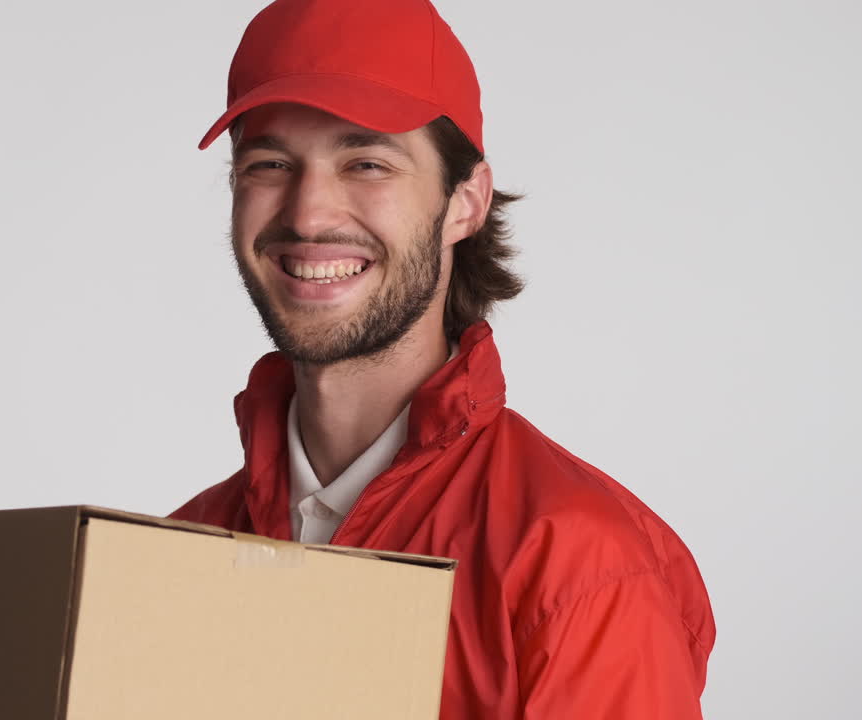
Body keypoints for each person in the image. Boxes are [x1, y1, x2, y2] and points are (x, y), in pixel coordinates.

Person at [169, 0, 715, 717]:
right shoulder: (179, 555)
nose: (307, 215)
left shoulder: (576, 561)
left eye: (366, 162)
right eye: (269, 163)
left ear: (465, 202)